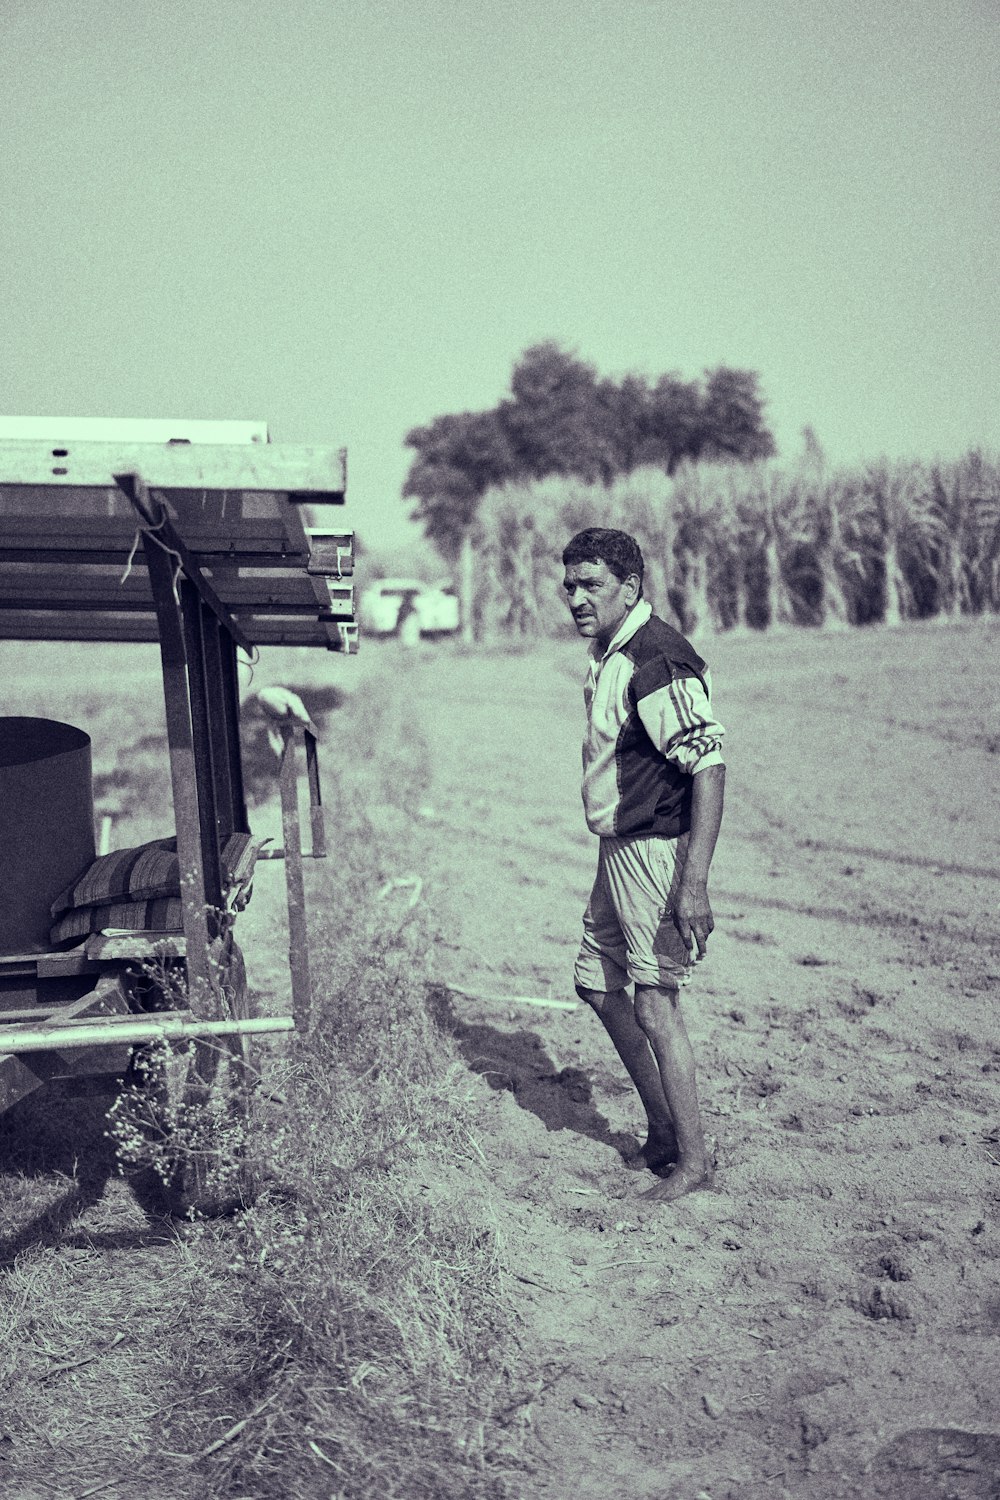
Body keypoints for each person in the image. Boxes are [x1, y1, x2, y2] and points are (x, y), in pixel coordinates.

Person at [563, 527, 726, 1203]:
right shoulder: (613, 650)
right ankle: (661, 1132)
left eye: (591, 585)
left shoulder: (655, 660)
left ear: (628, 588)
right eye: (569, 585)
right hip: (616, 849)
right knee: (598, 985)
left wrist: (693, 885)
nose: (575, 598)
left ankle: (693, 1161)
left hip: (655, 854)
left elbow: (709, 766)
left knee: (656, 1004)